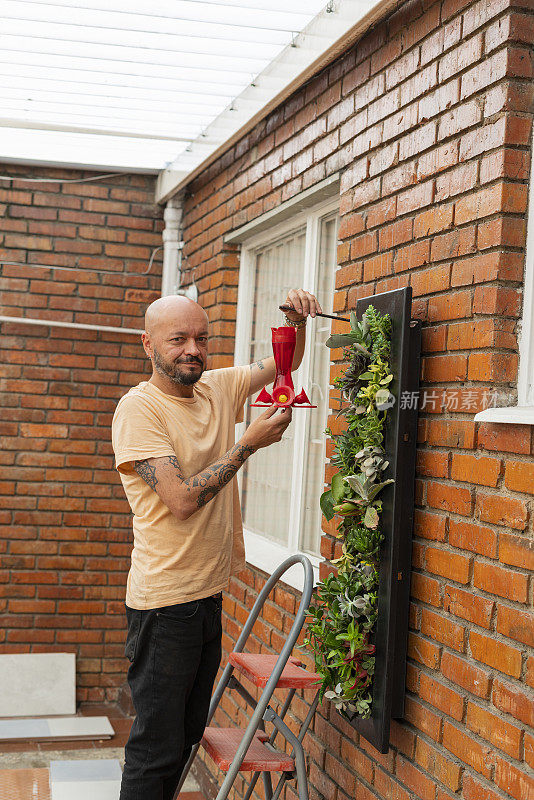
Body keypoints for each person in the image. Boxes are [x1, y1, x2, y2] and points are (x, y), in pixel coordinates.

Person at [111, 288, 322, 800]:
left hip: (204, 597)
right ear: (148, 344)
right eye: (178, 338)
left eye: (202, 339)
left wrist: (295, 322)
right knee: (155, 750)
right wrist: (246, 444)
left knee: (184, 739)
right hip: (164, 604)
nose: (193, 350)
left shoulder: (214, 389)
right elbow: (180, 501)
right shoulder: (139, 411)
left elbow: (279, 364)